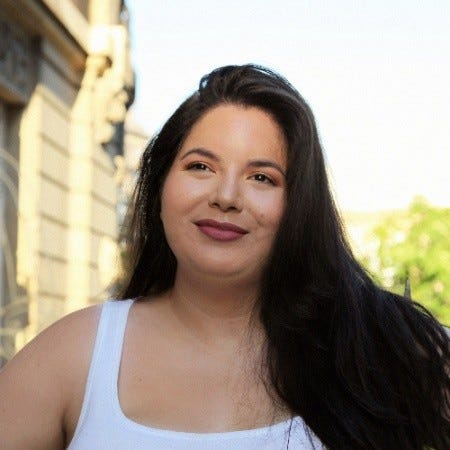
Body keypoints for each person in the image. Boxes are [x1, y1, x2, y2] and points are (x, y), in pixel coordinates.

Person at [0, 64, 449, 450]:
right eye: (200, 167)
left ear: (299, 208)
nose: (226, 196)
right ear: (160, 186)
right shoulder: (73, 356)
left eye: (262, 177)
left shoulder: (380, 346)